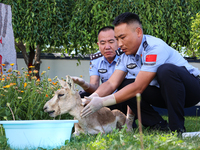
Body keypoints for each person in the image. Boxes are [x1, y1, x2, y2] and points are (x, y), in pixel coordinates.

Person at [80, 12, 200, 134]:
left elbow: (139, 86)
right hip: (164, 94)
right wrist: (92, 97)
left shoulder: (155, 47)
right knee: (125, 84)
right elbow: (111, 83)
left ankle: (177, 130)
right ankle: (158, 125)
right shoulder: (125, 54)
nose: (120, 44)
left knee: (166, 70)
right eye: (117, 39)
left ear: (138, 32)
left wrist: (102, 102)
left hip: (191, 91)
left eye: (123, 37)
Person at [72, 26, 136, 130]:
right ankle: (79, 124)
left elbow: (132, 87)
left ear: (118, 42)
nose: (107, 47)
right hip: (104, 99)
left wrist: (129, 121)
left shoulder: (126, 56)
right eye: (103, 43)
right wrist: (83, 83)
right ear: (98, 45)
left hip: (124, 98)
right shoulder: (96, 59)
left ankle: (129, 121)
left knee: (127, 85)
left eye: (111, 42)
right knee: (82, 95)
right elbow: (94, 87)